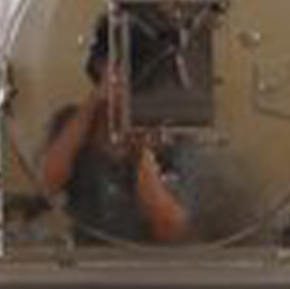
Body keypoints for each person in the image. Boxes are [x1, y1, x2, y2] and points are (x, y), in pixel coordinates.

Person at [39, 17, 190, 244]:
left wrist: (143, 153)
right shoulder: (72, 122)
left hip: (150, 259)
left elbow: (172, 230)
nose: (133, 78)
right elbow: (48, 183)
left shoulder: (171, 130)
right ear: (99, 64)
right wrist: (95, 100)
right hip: (85, 256)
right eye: (123, 65)